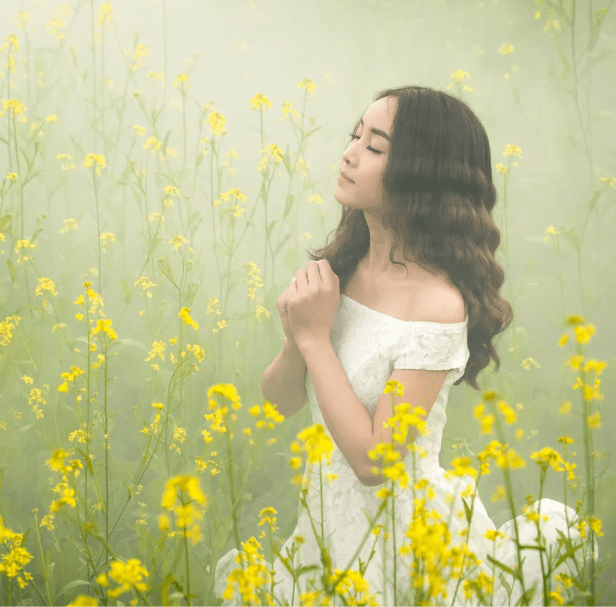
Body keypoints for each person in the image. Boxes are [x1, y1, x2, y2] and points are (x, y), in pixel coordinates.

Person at [213, 86, 593, 606]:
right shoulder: (344, 269)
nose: (349, 152)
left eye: (375, 147)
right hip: (324, 530)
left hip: (403, 545)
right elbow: (280, 402)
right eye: (355, 135)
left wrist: (313, 337)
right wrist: (297, 338)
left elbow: (376, 463)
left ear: (422, 175)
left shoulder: (437, 305)